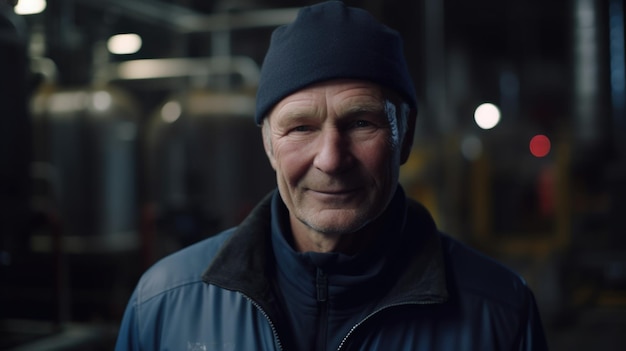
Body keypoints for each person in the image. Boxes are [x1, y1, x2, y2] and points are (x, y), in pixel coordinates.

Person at [115, 1, 548, 350]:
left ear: (406, 135)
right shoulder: (165, 304)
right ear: (268, 144)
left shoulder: (499, 313)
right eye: (301, 127)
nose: (331, 159)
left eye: (361, 123)